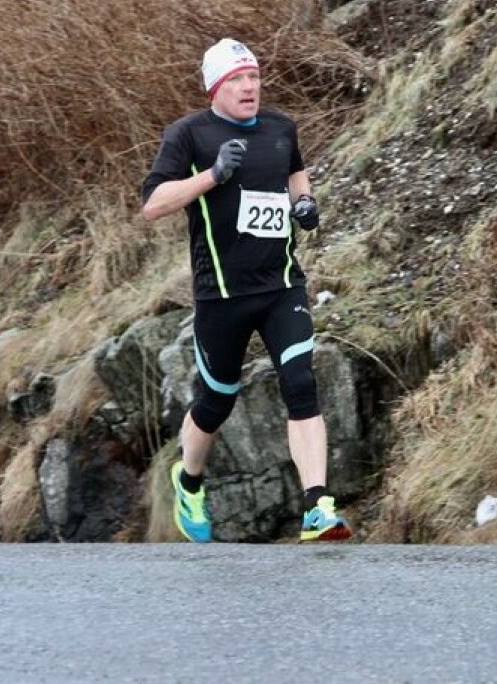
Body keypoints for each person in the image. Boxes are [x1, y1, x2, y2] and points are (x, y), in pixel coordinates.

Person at [141, 39, 351, 543]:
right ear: (215, 86)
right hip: (220, 297)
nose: (250, 86)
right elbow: (153, 203)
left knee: (300, 382)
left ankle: (316, 507)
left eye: (254, 77)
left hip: (281, 286)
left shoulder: (280, 128)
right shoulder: (189, 134)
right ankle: (189, 480)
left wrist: (305, 203)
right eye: (237, 79)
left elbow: (296, 173)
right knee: (216, 400)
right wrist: (212, 176)